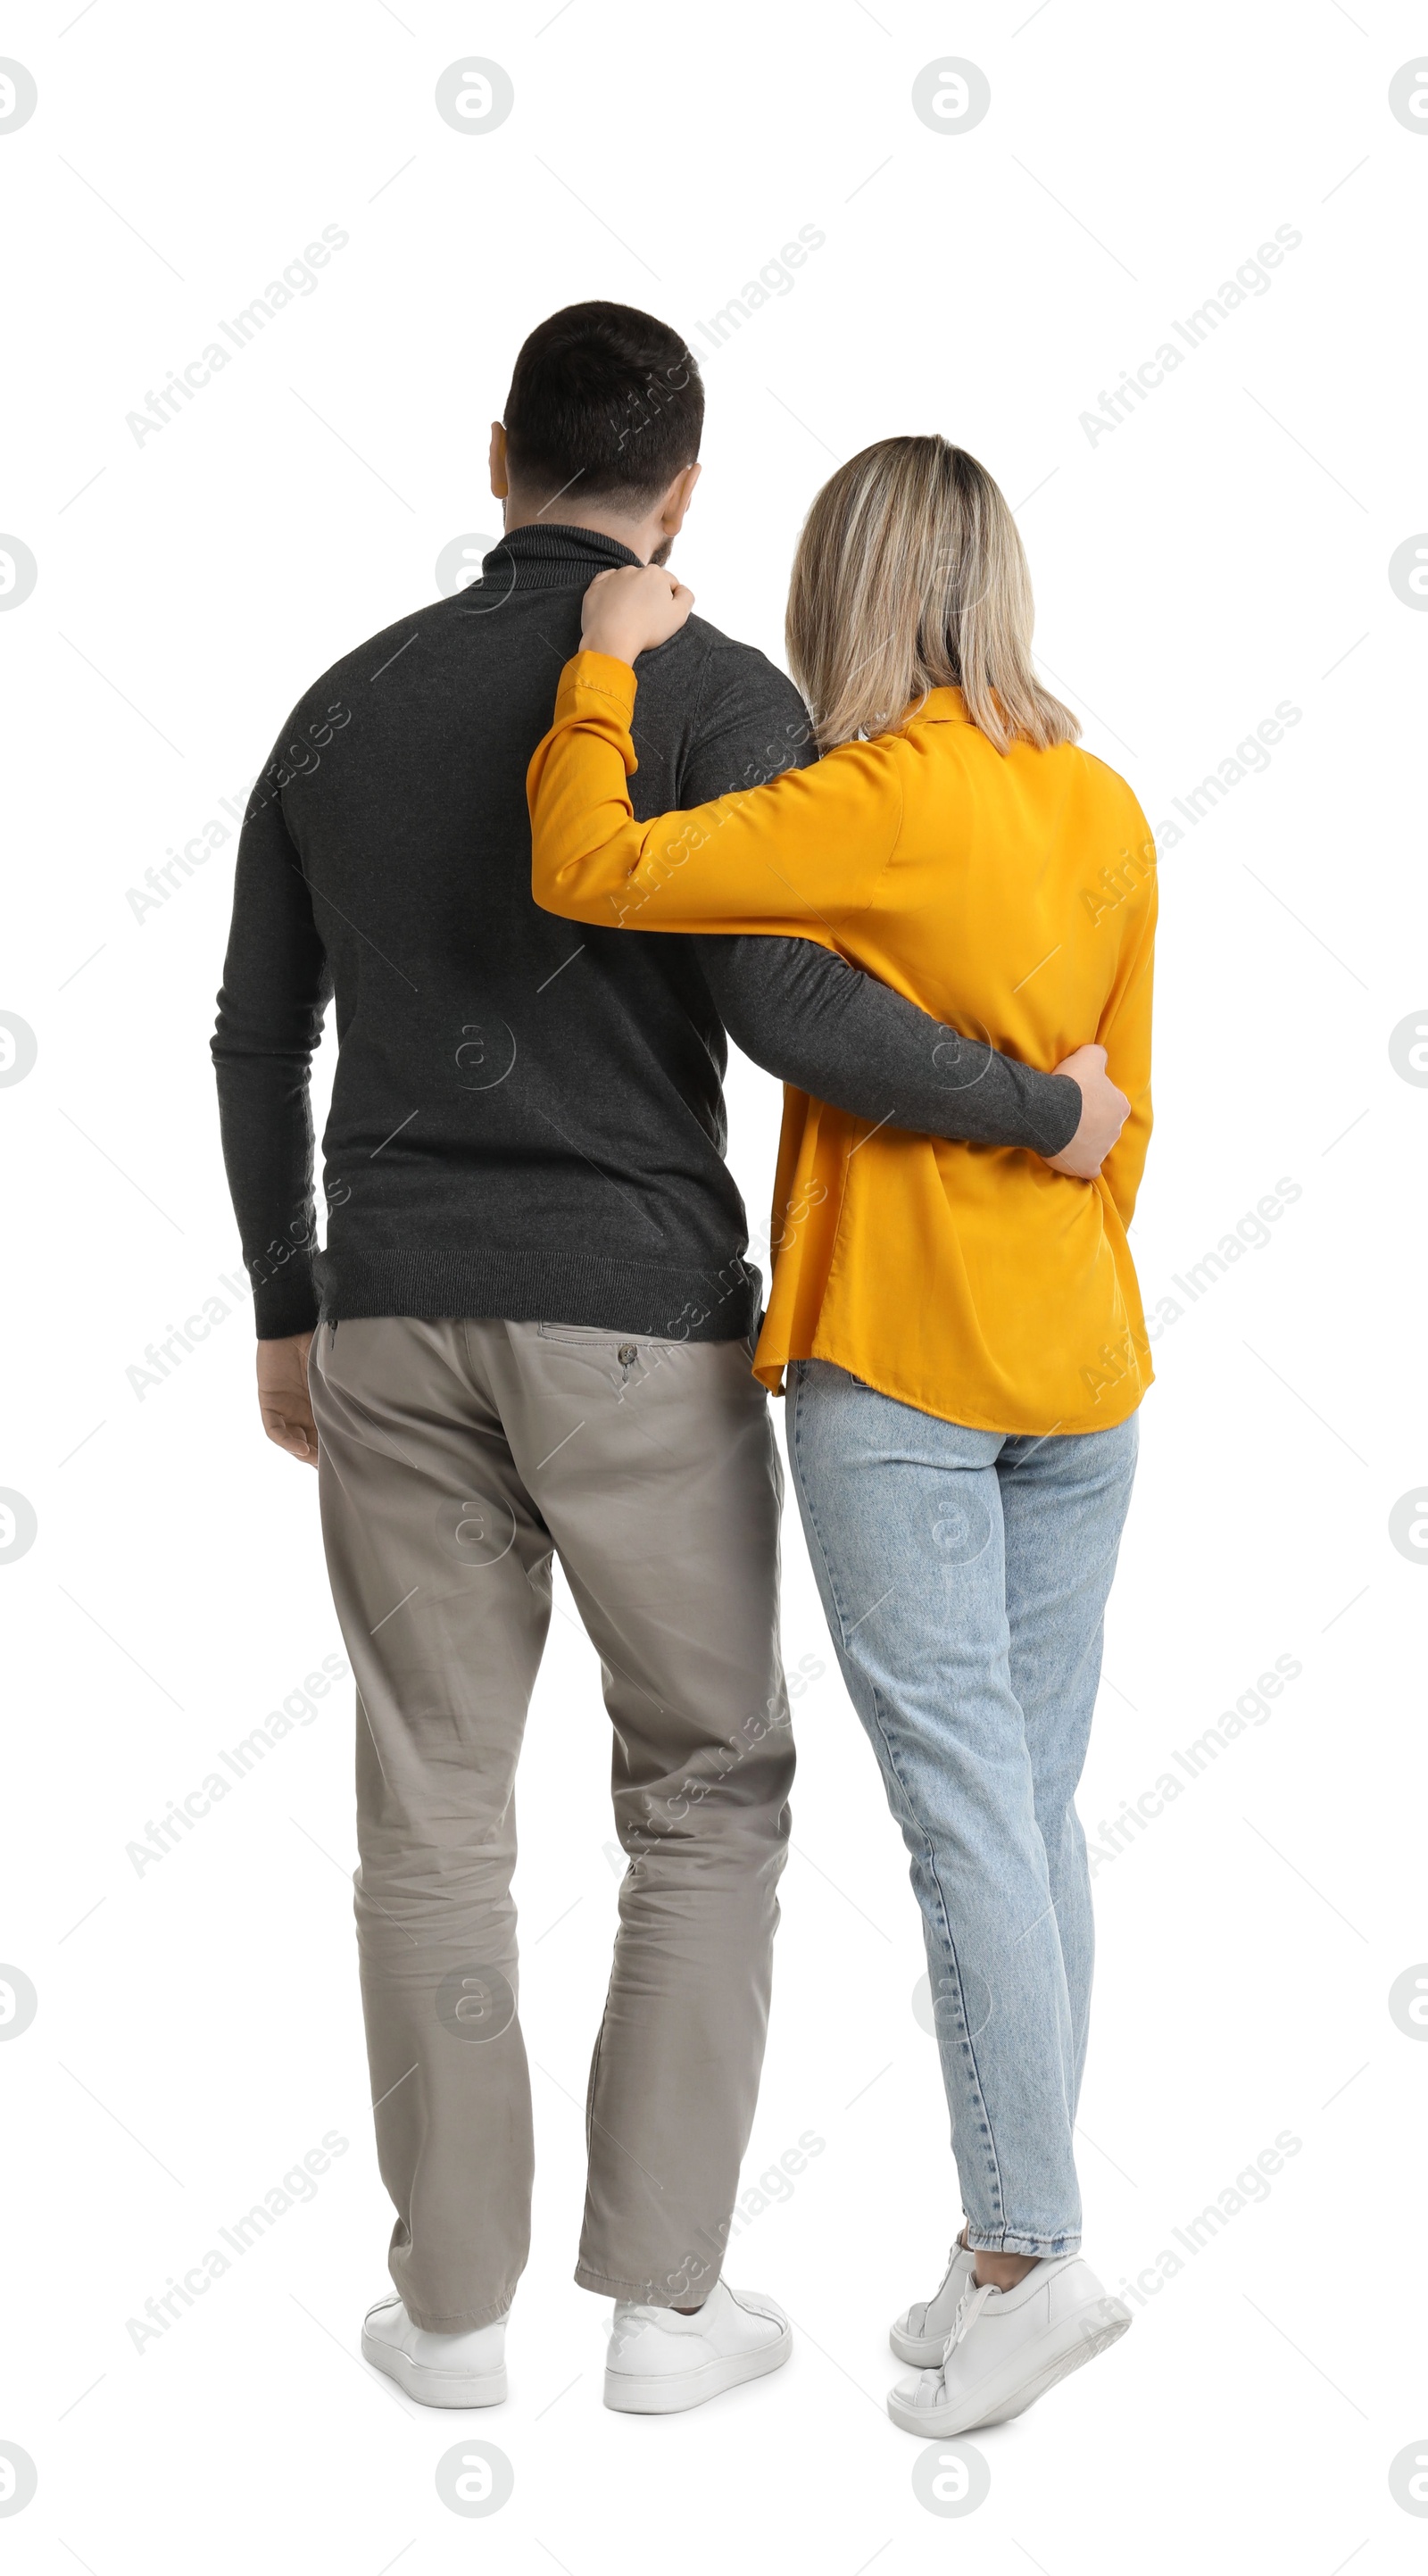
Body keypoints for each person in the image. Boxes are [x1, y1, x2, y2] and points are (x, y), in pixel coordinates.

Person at [212, 309, 1126, 2420]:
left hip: (391, 1313)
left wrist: (288, 1302)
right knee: (706, 1787)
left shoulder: (340, 705)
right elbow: (795, 1010)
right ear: (687, 490)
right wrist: (1037, 1111)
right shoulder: (717, 693)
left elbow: (262, 1036)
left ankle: (447, 2320)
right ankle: (660, 2313)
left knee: (430, 1807)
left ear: (499, 451)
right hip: (637, 1319)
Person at [526, 430, 1156, 2436]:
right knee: (1028, 1813)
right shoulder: (1102, 801)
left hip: (900, 1355)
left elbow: (590, 868)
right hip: (1082, 1362)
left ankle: (1031, 2243)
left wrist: (608, 666)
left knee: (965, 1813)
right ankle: (1000, 2252)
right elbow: (1113, 1111)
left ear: (843, 596)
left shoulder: (871, 798)